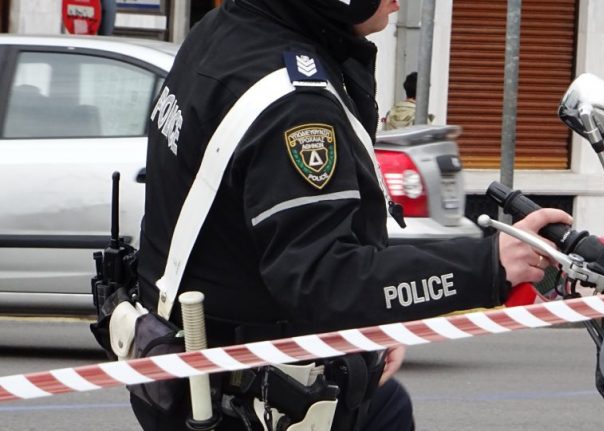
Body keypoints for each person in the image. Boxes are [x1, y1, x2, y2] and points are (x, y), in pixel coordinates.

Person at [135, 0, 572, 430]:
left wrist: (371, 319)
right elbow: (325, 281)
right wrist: (490, 264)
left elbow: (249, 231)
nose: (398, 2)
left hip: (192, 362)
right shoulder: (294, 104)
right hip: (247, 395)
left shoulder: (226, 30)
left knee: (387, 406)